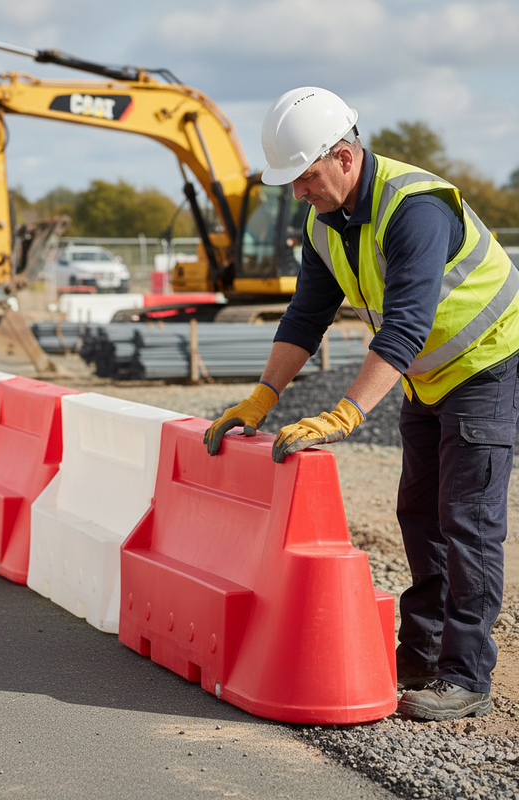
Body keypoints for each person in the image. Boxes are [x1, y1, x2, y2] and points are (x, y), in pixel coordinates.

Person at [204, 86, 519, 721]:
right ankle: (421, 657)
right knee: (419, 515)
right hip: (423, 374)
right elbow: (306, 316)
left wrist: (346, 412)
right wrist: (262, 397)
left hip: (484, 364)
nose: (300, 193)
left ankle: (466, 676)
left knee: (467, 520)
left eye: (306, 177)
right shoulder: (324, 222)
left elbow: (404, 325)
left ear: (344, 157)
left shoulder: (416, 209)